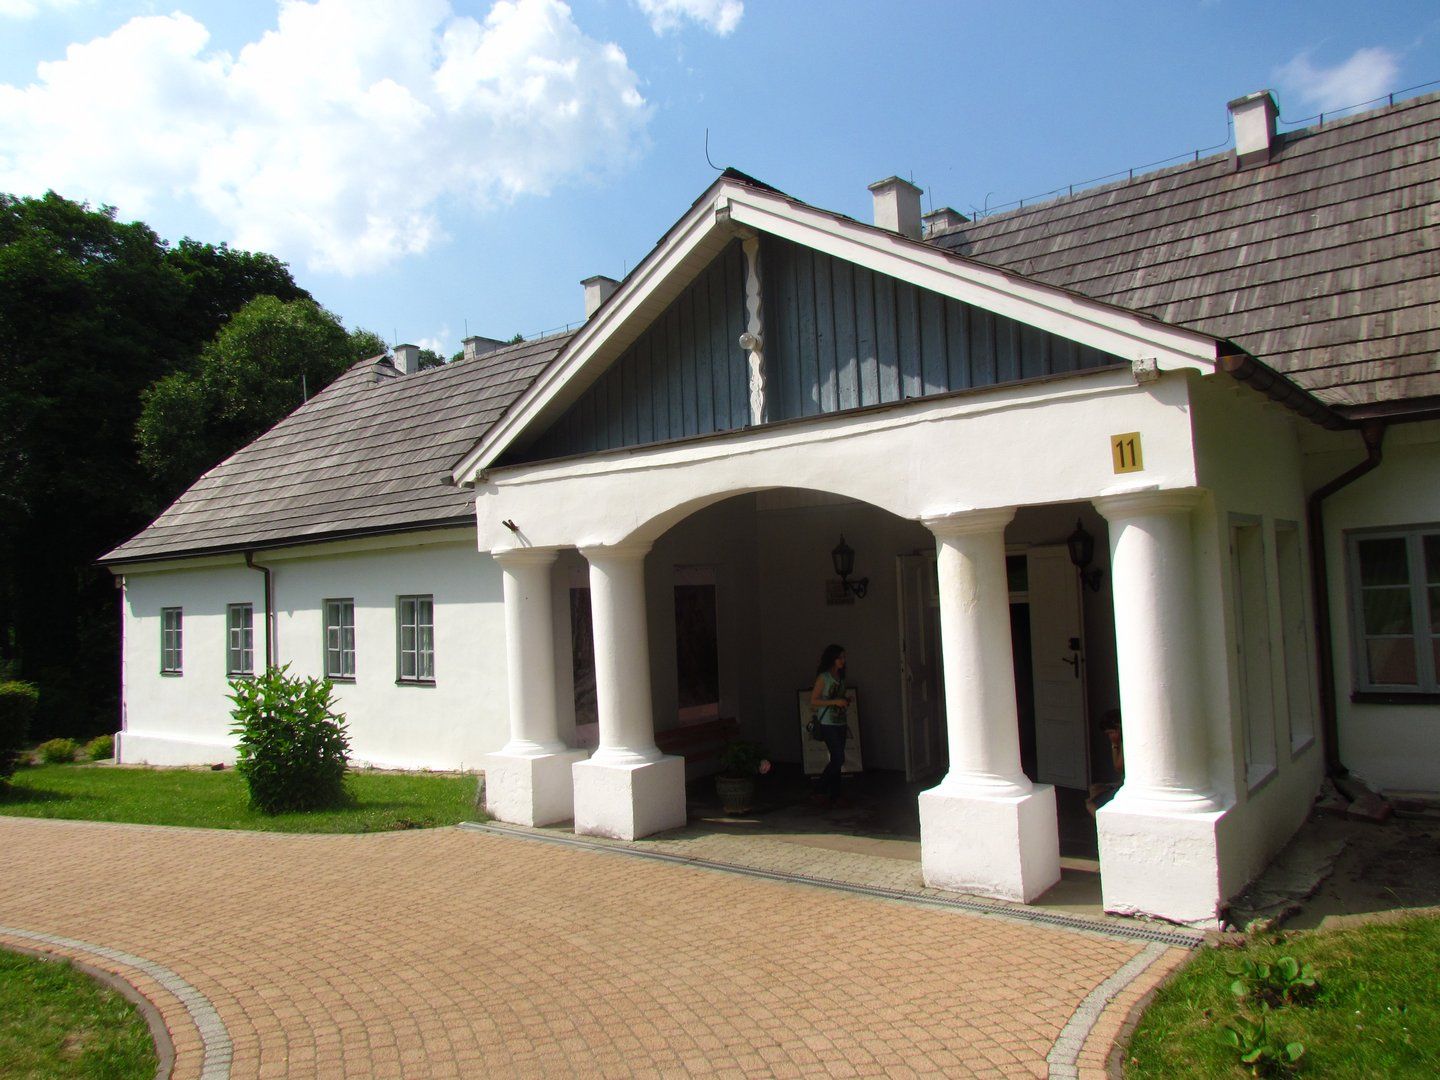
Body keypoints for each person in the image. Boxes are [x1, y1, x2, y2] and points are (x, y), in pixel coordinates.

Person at [810, 643, 850, 808]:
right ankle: (820, 789)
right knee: (838, 758)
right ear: (832, 659)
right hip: (827, 722)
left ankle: (835, 794)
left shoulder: (841, 676)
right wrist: (835, 702)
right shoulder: (824, 677)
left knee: (836, 759)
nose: (843, 660)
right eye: (840, 657)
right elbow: (814, 700)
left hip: (841, 721)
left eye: (844, 657)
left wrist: (844, 701)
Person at [1086, 709, 1124, 816]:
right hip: (1120, 782)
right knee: (1094, 788)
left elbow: (1118, 766)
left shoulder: (1126, 742)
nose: (1110, 736)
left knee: (1090, 804)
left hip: (1125, 785)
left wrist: (1114, 745)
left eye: (1111, 732)